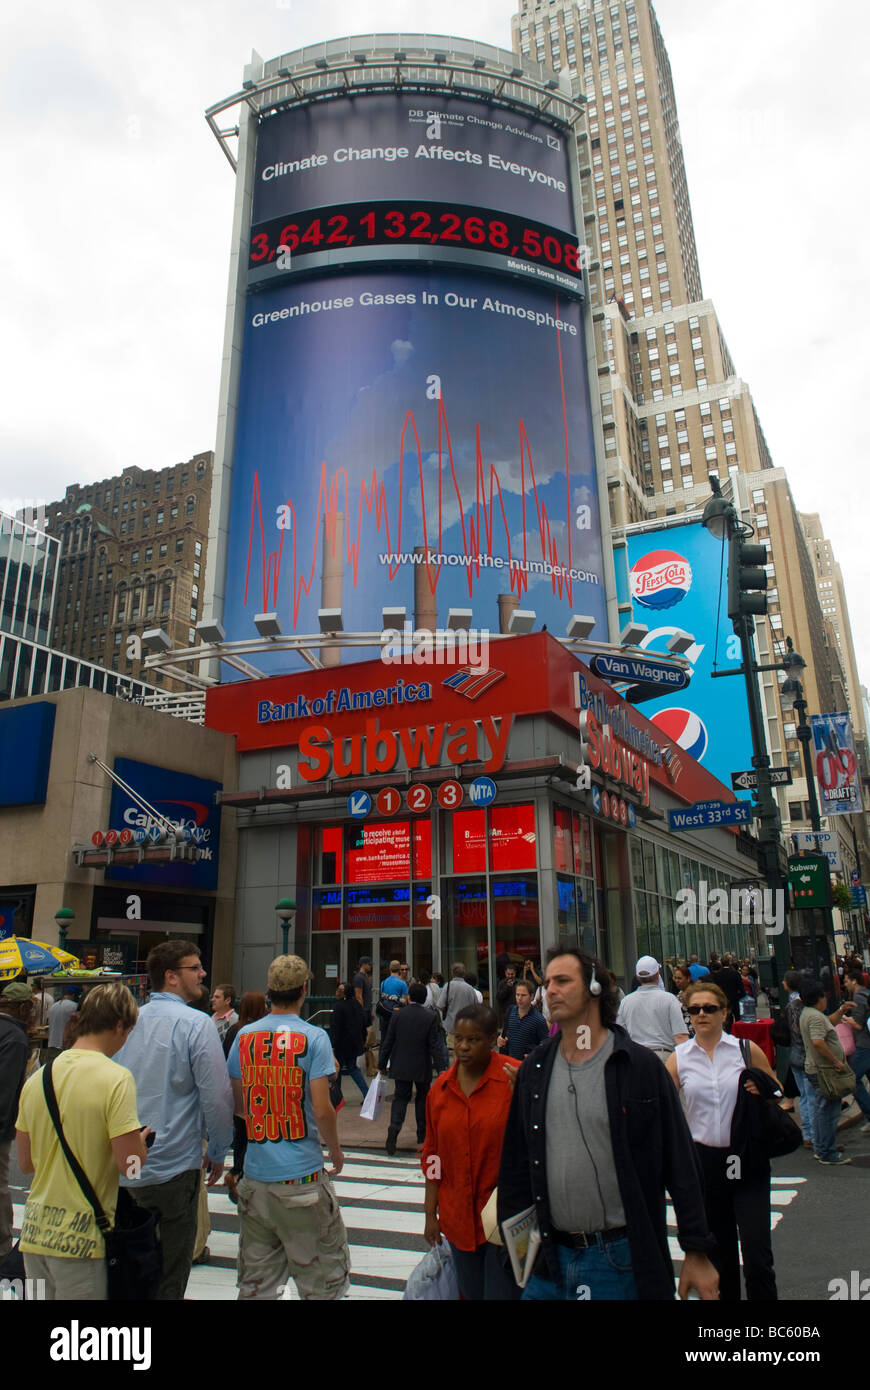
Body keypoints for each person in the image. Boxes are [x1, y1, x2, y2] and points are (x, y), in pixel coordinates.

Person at [498, 948, 720, 1302]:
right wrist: (514, 1251)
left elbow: (680, 1161)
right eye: (548, 981)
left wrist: (696, 1250)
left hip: (620, 1259)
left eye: (563, 981)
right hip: (548, 1260)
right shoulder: (535, 1071)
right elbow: (515, 1164)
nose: (550, 989)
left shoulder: (639, 1067)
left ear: (595, 990)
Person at [114, 940, 235, 1298]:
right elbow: (216, 1096)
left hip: (127, 1164)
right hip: (173, 1164)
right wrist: (218, 1148)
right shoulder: (197, 1024)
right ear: (170, 977)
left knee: (127, 1263)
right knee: (171, 1268)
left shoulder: (126, 1022)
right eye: (194, 968)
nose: (202, 974)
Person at [15, 984, 150, 1300]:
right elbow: (129, 1167)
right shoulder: (115, 1078)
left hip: (35, 1231)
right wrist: (140, 1146)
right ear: (119, 1026)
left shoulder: (39, 1078)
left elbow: (26, 1162)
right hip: (82, 1237)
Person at [227, 954, 350, 1301]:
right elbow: (323, 1109)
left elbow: (238, 1105)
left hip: (257, 1175)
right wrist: (335, 1151)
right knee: (322, 1282)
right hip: (302, 1177)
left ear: (269, 991)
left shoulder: (244, 1037)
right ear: (303, 990)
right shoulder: (314, 1038)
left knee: (258, 1285)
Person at [665, 981, 783, 1302]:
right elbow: (660, 1106)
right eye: (694, 1009)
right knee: (721, 1256)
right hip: (706, 1164)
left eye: (709, 1008)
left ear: (724, 1012)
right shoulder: (680, 1057)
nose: (701, 1014)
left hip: (747, 1158)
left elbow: (779, 1094)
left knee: (758, 1254)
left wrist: (763, 1091)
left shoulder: (745, 1050)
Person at [422, 1004, 521, 1300]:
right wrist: (430, 1212)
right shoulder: (440, 1089)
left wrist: (525, 1103)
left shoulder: (514, 1078)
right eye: (458, 1039)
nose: (462, 1047)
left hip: (505, 1219)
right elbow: (433, 1154)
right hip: (458, 1219)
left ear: (493, 1039)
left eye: (473, 1040)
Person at [380, 983, 445, 1153]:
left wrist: (382, 1064)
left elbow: (388, 1041)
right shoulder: (430, 1017)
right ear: (424, 999)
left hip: (400, 1063)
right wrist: (441, 1068)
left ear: (409, 997)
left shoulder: (397, 1016)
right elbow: (435, 1045)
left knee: (400, 1098)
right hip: (421, 1064)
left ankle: (394, 1128)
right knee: (422, 1098)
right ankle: (422, 1133)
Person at [798, 979, 854, 1165]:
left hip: (817, 1068)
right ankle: (826, 1152)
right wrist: (835, 1060)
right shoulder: (814, 1016)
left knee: (822, 1110)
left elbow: (827, 1023)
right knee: (828, 1112)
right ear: (819, 998)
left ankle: (822, 1147)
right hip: (824, 1070)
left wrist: (841, 1011)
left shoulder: (812, 1014)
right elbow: (818, 1041)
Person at [223, 992, 269, 1205]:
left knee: (241, 1134)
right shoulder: (259, 1032)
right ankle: (245, 1175)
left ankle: (237, 1170)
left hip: (237, 1089)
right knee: (255, 1136)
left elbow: (226, 1059)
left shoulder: (234, 1030)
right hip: (256, 1088)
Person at [0, 982, 34, 1262]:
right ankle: (1, 1246)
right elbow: (6, 1089)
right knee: (0, 1187)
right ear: (22, 1008)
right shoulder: (16, 1038)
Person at [615, 956, 689, 1060]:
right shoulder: (669, 999)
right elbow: (680, 1036)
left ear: (637, 976)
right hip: (663, 1056)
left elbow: (620, 1035)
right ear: (658, 974)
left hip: (635, 1057)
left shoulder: (626, 1002)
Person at [783, 970, 815, 1150]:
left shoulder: (793, 1004)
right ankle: (811, 1134)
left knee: (805, 1096)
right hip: (804, 1055)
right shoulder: (800, 1005)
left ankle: (808, 1133)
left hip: (797, 1055)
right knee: (810, 1096)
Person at [842, 965, 870, 1131]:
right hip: (867, 1043)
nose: (845, 984)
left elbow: (858, 1025)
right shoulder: (866, 994)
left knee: (852, 1079)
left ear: (854, 981)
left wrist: (845, 1017)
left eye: (846, 981)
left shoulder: (858, 997)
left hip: (863, 1044)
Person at [331, 981, 369, 1101]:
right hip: (354, 1043)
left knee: (338, 1069)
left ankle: (337, 1097)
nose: (338, 992)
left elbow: (335, 1028)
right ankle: (367, 1094)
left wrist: (333, 1044)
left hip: (342, 1044)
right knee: (352, 1068)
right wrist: (362, 1039)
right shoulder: (357, 1004)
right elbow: (363, 1023)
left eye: (340, 990)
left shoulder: (338, 1007)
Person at [498, 979, 549, 1060]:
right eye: (517, 995)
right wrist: (500, 1040)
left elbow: (546, 1045)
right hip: (509, 1062)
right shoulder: (510, 1011)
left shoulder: (539, 1019)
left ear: (532, 996)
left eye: (523, 995)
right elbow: (505, 1034)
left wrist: (535, 1055)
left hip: (527, 1066)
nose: (519, 998)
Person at [437, 964, 479, 1054]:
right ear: (464, 974)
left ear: (452, 973)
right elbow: (476, 1007)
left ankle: (456, 1067)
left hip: (451, 1025)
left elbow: (440, 1005)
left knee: (455, 1050)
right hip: (467, 1025)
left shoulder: (447, 986)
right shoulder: (470, 988)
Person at [377, 959, 409, 1043]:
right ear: (399, 970)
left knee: (384, 1039)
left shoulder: (383, 983)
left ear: (390, 969)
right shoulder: (402, 983)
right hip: (396, 1014)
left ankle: (383, 1055)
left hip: (385, 1014)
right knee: (396, 1039)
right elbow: (404, 1002)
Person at [45, 986, 79, 1061]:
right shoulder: (74, 1006)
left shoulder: (54, 1006)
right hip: (65, 1047)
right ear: (74, 995)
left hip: (51, 1045)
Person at [708, 955, 742, 1029]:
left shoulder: (718, 975)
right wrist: (741, 996)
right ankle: (739, 1030)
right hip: (734, 998)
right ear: (729, 963)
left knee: (727, 1017)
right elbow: (740, 986)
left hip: (724, 999)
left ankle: (729, 1030)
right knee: (737, 1015)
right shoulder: (735, 974)